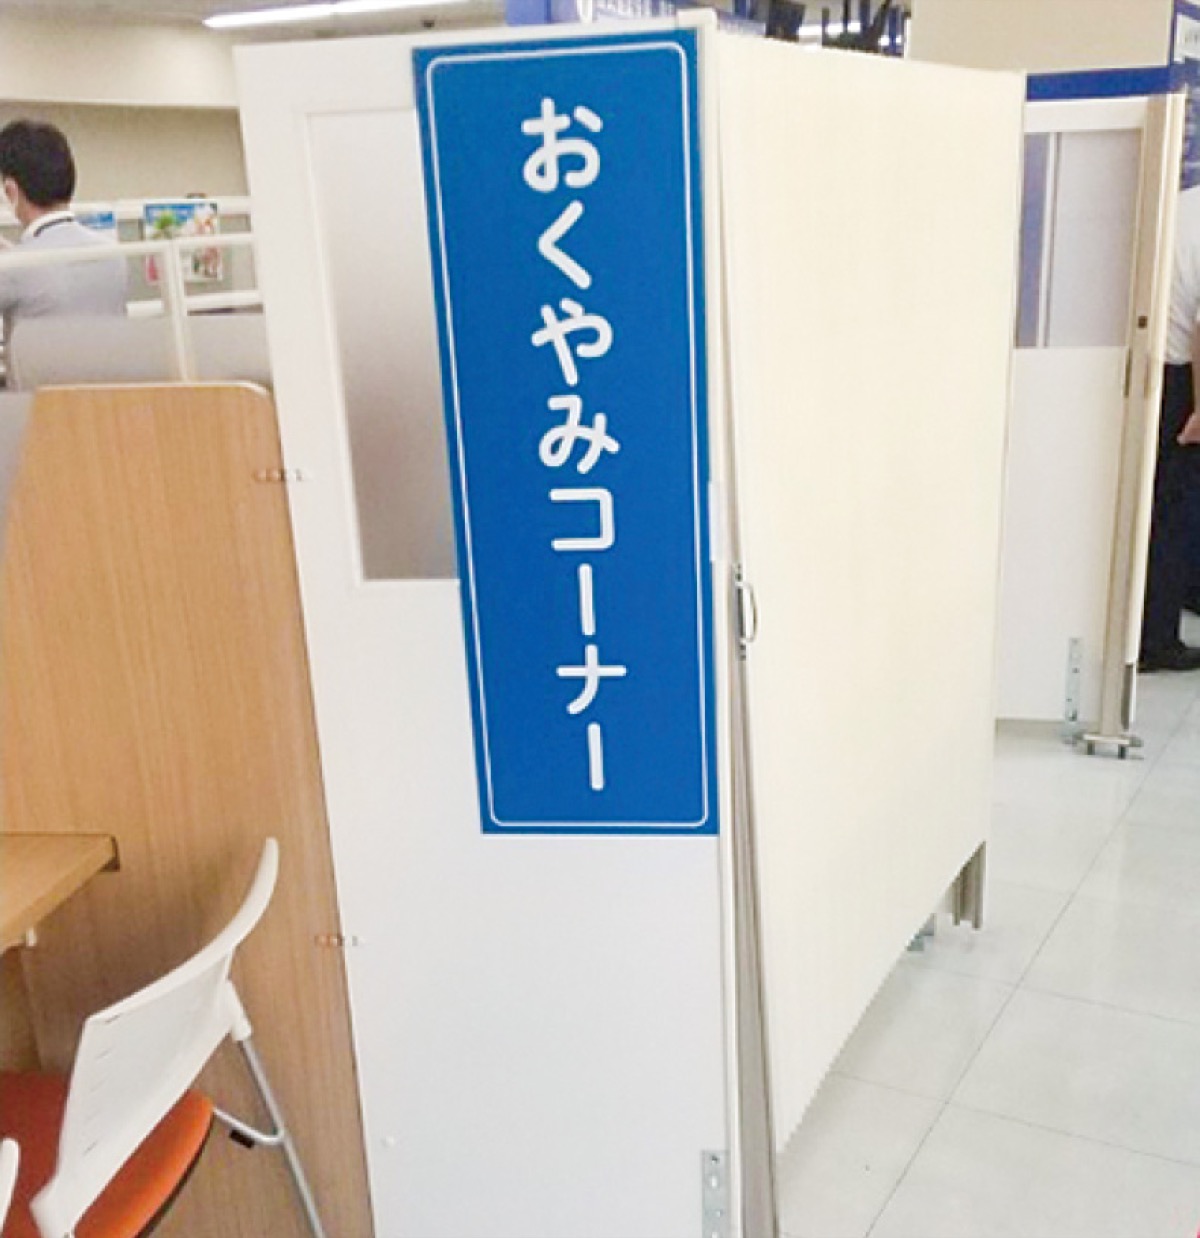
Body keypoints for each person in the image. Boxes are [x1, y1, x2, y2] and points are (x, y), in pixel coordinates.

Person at [0, 119, 127, 381]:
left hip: (39, 403)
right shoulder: (112, 254)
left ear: (11, 191)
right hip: (107, 397)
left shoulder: (14, 268)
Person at [1141, 184, 1200, 671]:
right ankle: (1156, 639)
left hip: (1151, 364)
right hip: (1179, 377)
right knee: (1177, 510)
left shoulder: (1184, 202)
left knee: (1162, 503)